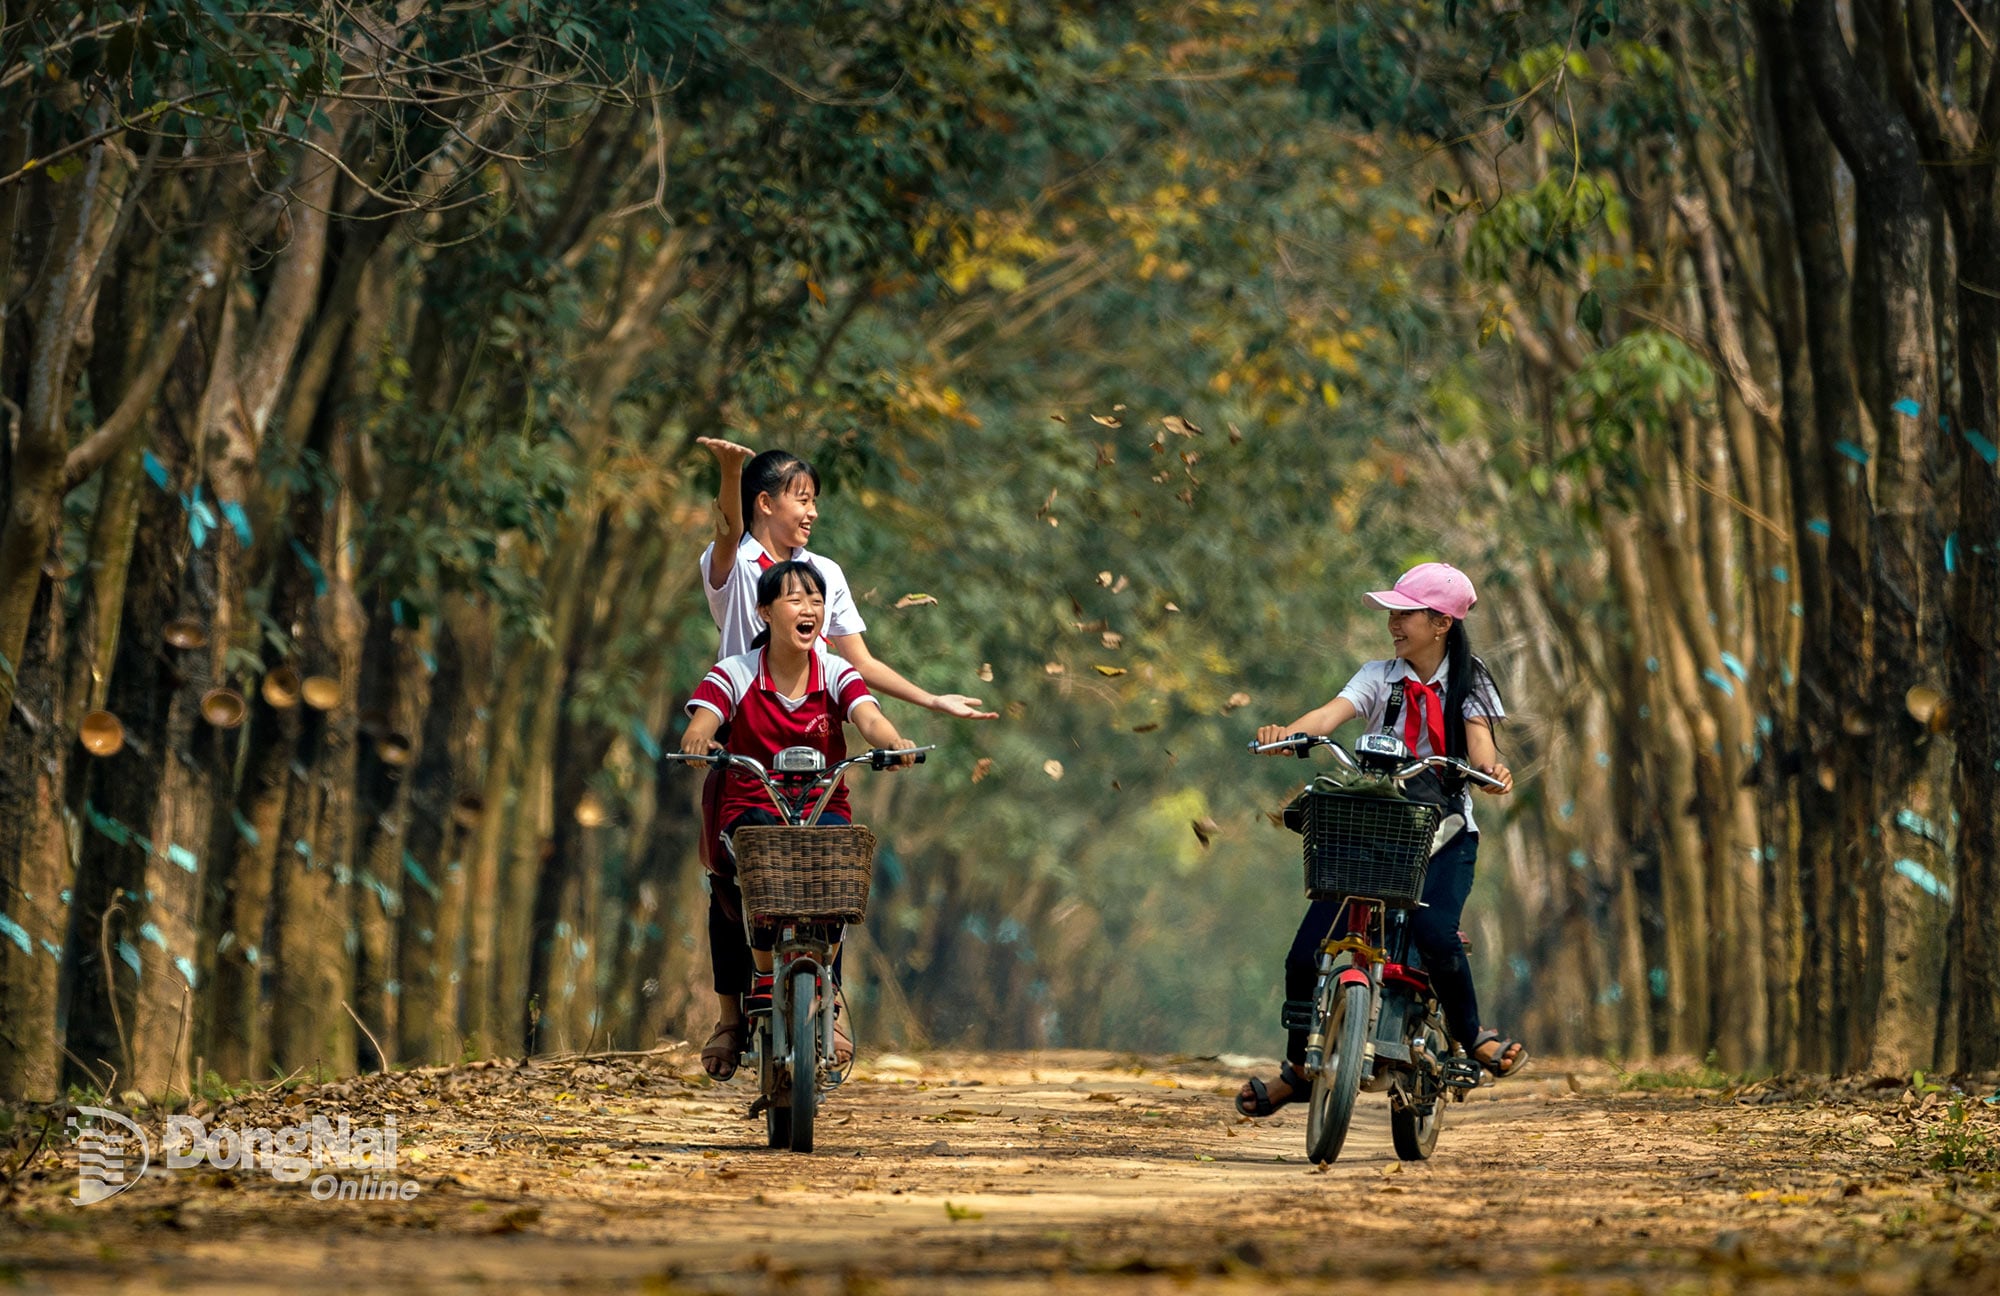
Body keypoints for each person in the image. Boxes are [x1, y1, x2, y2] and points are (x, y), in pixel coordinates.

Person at [1237, 561, 1525, 1117]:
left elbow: (1481, 747)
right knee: (1304, 955)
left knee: (1436, 933)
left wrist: (1493, 771)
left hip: (1441, 834)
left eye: (1405, 613)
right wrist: (1289, 734)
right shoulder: (1378, 676)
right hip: (1372, 831)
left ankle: (1472, 1036)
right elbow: (1328, 716)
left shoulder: (1471, 680)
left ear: (1441, 623)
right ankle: (1298, 1070)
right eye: (1392, 612)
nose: (1393, 622)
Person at [680, 560, 918, 1081]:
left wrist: (892, 741)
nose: (809, 608)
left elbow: (868, 717)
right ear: (764, 612)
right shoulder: (736, 672)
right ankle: (750, 993)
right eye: (794, 599)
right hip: (752, 806)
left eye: (816, 599)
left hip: (821, 807)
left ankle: (826, 994)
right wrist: (699, 739)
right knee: (739, 882)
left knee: (839, 866)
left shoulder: (835, 672)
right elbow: (704, 720)